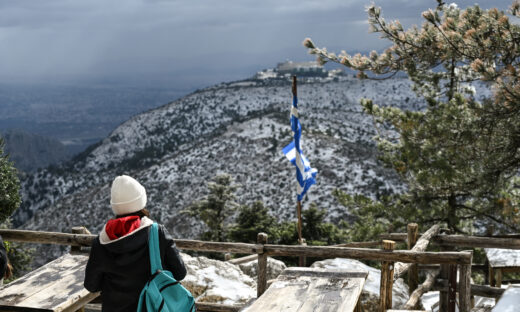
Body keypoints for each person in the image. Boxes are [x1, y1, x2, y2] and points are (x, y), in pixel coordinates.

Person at [84, 175, 187, 312]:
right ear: (141, 202)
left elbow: (91, 286)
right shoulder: (157, 234)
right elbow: (180, 273)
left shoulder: (101, 242)